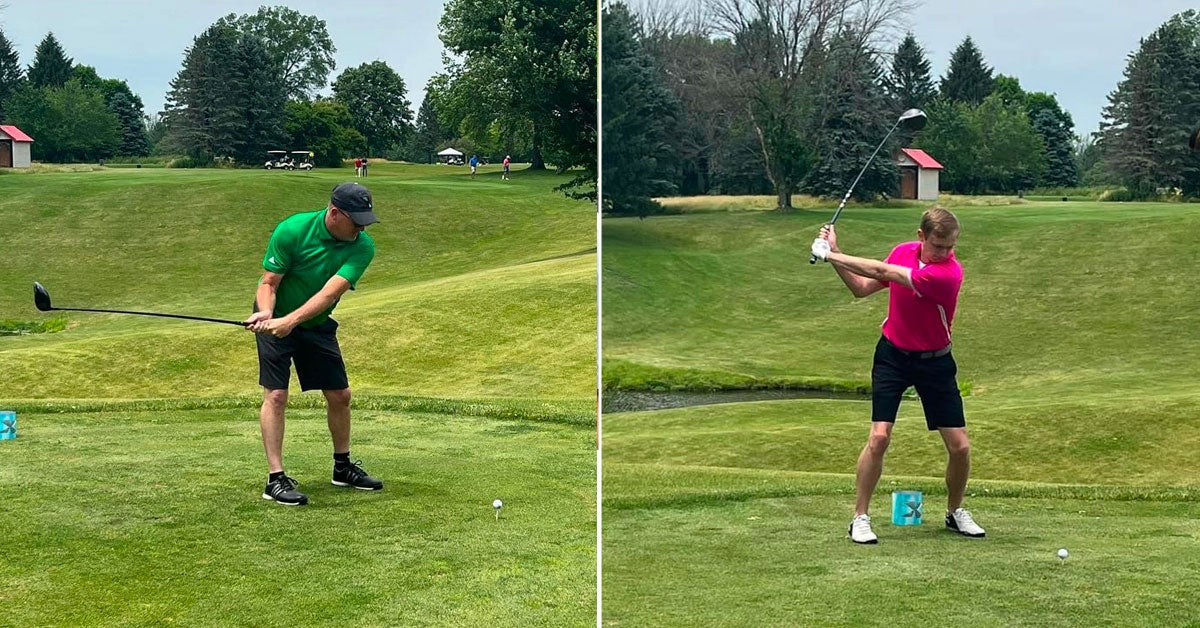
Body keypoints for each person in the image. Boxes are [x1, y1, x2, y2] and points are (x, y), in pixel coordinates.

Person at [810, 207, 985, 544]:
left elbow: (879, 269)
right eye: (937, 246)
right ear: (921, 237)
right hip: (892, 356)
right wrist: (835, 257)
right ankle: (859, 517)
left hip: (935, 362)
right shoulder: (903, 251)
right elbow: (862, 288)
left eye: (950, 247)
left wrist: (833, 253)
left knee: (960, 447)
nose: (944, 254)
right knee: (879, 437)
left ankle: (954, 512)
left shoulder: (947, 274)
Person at [245, 182, 384, 506]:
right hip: (274, 319)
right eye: (357, 220)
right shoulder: (293, 230)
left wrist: (290, 321)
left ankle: (342, 467)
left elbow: (329, 294)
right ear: (335, 213)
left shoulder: (362, 247)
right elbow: (269, 282)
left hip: (314, 322)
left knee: (340, 395)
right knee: (276, 394)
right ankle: (275, 479)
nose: (362, 228)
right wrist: (266, 312)